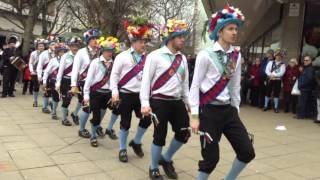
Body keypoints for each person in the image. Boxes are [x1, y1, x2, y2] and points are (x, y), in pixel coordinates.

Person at [189, 6, 255, 180]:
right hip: (209, 111)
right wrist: (195, 116)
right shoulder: (206, 55)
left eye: (236, 29)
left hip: (228, 111)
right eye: (230, 29)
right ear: (219, 31)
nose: (234, 32)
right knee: (211, 159)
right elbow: (194, 86)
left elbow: (234, 86)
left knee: (247, 151)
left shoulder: (236, 56)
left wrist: (236, 110)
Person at [140, 19, 190, 180]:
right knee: (159, 136)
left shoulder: (182, 58)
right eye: (180, 36)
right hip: (159, 101)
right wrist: (145, 103)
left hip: (177, 101)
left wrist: (189, 103)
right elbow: (146, 81)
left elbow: (185, 84)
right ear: (171, 37)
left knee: (184, 133)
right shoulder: (155, 56)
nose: (183, 39)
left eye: (184, 36)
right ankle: (154, 167)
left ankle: (166, 159)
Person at [110, 17, 153, 163]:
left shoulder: (148, 58)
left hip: (142, 96)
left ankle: (136, 141)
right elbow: (114, 76)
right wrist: (115, 93)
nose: (144, 44)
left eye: (144, 41)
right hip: (126, 95)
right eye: (141, 41)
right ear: (133, 42)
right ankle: (122, 149)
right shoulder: (122, 56)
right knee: (125, 123)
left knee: (147, 120)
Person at [83, 36, 119, 147]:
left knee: (112, 110)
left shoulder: (115, 63)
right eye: (107, 51)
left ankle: (104, 127)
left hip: (108, 93)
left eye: (111, 51)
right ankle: (93, 136)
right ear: (102, 51)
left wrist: (115, 93)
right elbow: (89, 79)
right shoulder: (95, 62)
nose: (110, 53)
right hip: (96, 92)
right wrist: (86, 94)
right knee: (96, 116)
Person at [71, 28, 102, 138]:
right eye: (93, 39)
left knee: (99, 107)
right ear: (88, 40)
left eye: (97, 38)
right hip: (84, 83)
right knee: (87, 107)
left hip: (97, 84)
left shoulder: (100, 52)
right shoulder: (81, 52)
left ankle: (96, 125)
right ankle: (81, 129)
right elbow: (75, 69)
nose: (95, 41)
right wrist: (73, 84)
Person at [55, 37, 82, 126]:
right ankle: (64, 118)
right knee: (67, 100)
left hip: (78, 81)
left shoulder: (81, 56)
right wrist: (58, 83)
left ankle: (74, 114)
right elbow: (60, 71)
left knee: (82, 99)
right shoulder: (65, 56)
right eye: (73, 46)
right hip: (66, 81)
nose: (75, 48)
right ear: (70, 47)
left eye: (77, 46)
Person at [42, 43, 68, 120]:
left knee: (66, 98)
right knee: (56, 98)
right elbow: (47, 71)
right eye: (61, 51)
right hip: (54, 81)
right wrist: (44, 82)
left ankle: (64, 110)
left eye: (64, 51)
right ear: (57, 52)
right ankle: (54, 112)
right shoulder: (53, 60)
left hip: (65, 81)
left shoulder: (68, 60)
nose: (63, 53)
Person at [37, 40, 56, 113]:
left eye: (55, 44)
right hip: (46, 74)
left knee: (55, 91)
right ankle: (44, 107)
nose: (54, 46)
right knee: (47, 91)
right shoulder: (44, 54)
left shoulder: (58, 54)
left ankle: (51, 102)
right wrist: (39, 76)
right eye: (52, 44)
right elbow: (40, 66)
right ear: (49, 46)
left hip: (55, 75)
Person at [297, 55, 316, 119]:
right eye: (304, 60)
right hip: (305, 88)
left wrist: (301, 85)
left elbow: (309, 79)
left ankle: (301, 115)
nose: (305, 61)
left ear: (310, 61)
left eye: (307, 60)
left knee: (303, 103)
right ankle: (303, 115)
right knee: (304, 102)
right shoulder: (306, 68)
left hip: (306, 89)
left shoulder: (310, 69)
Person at [29, 39, 46, 106]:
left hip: (44, 72)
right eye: (39, 46)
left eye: (42, 46)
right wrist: (32, 71)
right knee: (36, 87)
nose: (41, 47)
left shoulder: (46, 53)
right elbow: (30, 63)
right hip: (35, 72)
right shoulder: (33, 53)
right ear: (37, 47)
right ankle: (35, 100)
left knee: (46, 87)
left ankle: (45, 102)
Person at [313, 57, 320, 123]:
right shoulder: (317, 72)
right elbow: (316, 78)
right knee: (318, 105)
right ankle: (318, 118)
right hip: (319, 91)